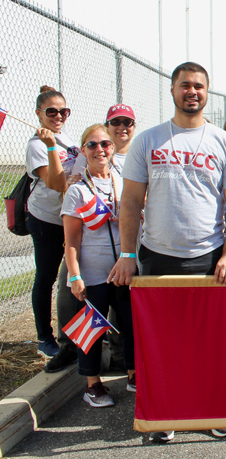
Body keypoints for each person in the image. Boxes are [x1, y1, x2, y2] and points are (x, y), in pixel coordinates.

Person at [109, 62, 226, 441]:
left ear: (207, 92)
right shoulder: (148, 140)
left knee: (213, 341)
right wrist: (126, 255)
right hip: (157, 256)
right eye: (185, 85)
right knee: (164, 342)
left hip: (210, 256)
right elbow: (130, 202)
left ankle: (216, 411)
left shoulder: (225, 144)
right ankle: (166, 415)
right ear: (172, 90)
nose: (192, 92)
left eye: (199, 86)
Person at [61, 124, 135, 407]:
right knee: (92, 330)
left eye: (104, 144)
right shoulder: (77, 190)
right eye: (92, 145)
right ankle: (93, 385)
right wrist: (75, 276)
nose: (100, 150)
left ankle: (133, 375)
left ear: (112, 148)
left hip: (124, 271)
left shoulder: (123, 181)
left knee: (131, 325)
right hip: (92, 274)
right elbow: (70, 243)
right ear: (83, 151)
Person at [25, 86, 81, 361]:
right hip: (46, 218)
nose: (58, 116)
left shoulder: (65, 137)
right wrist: (49, 146)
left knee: (75, 276)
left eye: (63, 111)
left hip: (70, 216)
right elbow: (56, 183)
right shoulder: (37, 144)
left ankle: (77, 333)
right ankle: (44, 337)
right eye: (51, 112)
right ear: (39, 114)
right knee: (46, 276)